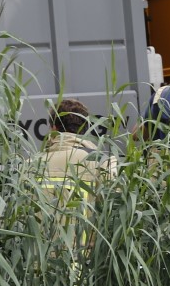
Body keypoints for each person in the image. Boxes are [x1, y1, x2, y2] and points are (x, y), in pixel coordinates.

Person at [28, 98, 117, 251]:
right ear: (86, 128)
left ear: (53, 128)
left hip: (38, 267)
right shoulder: (101, 163)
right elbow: (116, 218)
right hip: (85, 268)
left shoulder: (30, 166)